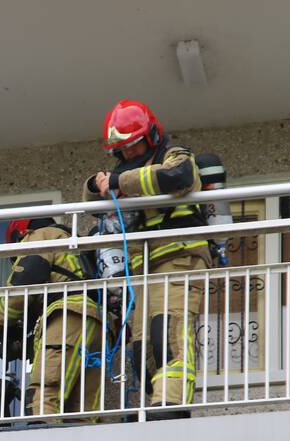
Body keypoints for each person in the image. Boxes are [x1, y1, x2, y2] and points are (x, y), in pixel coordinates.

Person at [83, 99, 210, 419]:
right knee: (141, 348)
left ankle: (172, 404)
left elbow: (176, 178)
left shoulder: (175, 155)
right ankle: (152, 405)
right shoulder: (123, 172)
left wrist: (118, 182)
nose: (127, 156)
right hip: (143, 270)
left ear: (151, 136)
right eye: (122, 151)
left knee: (167, 334)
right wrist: (96, 184)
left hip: (179, 258)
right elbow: (92, 199)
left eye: (133, 147)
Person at [0, 217, 105, 420]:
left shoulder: (41, 235)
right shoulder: (72, 245)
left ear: (22, 233)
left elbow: (24, 283)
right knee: (81, 407)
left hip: (68, 316)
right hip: (98, 323)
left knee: (43, 394)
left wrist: (3, 327)